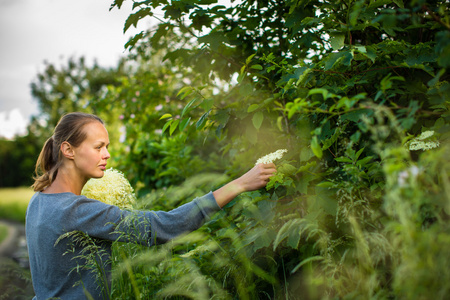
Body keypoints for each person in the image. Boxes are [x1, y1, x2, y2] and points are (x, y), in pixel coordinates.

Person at [26, 112, 276, 300]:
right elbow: (164, 227)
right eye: (98, 147)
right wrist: (239, 184)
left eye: (107, 146)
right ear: (68, 150)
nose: (107, 155)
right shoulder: (76, 210)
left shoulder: (38, 200)